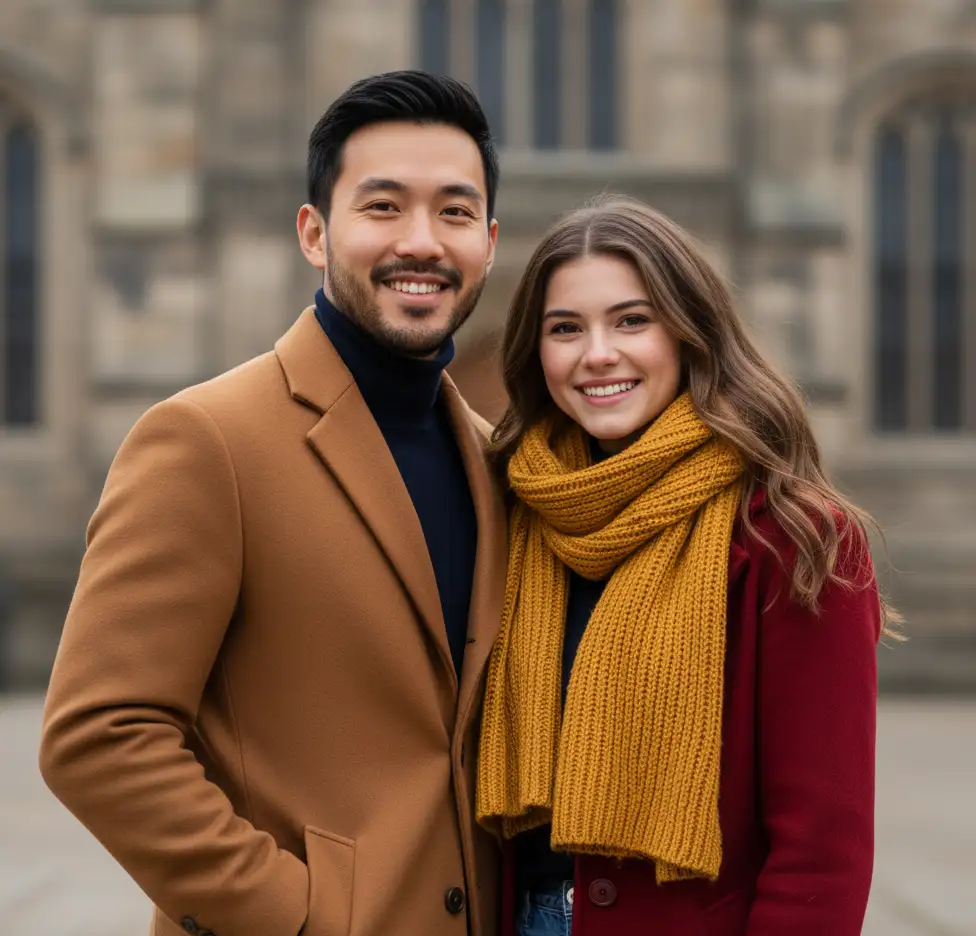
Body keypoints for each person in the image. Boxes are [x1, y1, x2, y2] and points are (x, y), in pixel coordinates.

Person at [39, 70, 508, 936]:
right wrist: (295, 917)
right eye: (382, 207)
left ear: (488, 239)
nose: (422, 241)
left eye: (452, 211)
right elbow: (97, 734)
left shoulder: (494, 461)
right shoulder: (204, 439)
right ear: (314, 233)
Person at [476, 195, 889, 936]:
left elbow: (821, 851)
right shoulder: (511, 515)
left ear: (690, 332)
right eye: (565, 329)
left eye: (632, 320)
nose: (597, 353)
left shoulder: (795, 538)